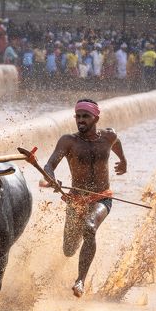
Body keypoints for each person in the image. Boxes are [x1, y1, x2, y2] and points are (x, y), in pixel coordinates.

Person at [40, 99, 128, 298]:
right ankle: (82, 248)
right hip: (76, 200)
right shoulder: (68, 141)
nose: (81, 120)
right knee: (69, 250)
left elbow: (117, 142)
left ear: (96, 118)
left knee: (89, 227)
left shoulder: (108, 136)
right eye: (78, 116)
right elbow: (48, 166)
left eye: (85, 116)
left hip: (101, 198)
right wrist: (52, 180)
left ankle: (80, 280)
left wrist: (123, 161)